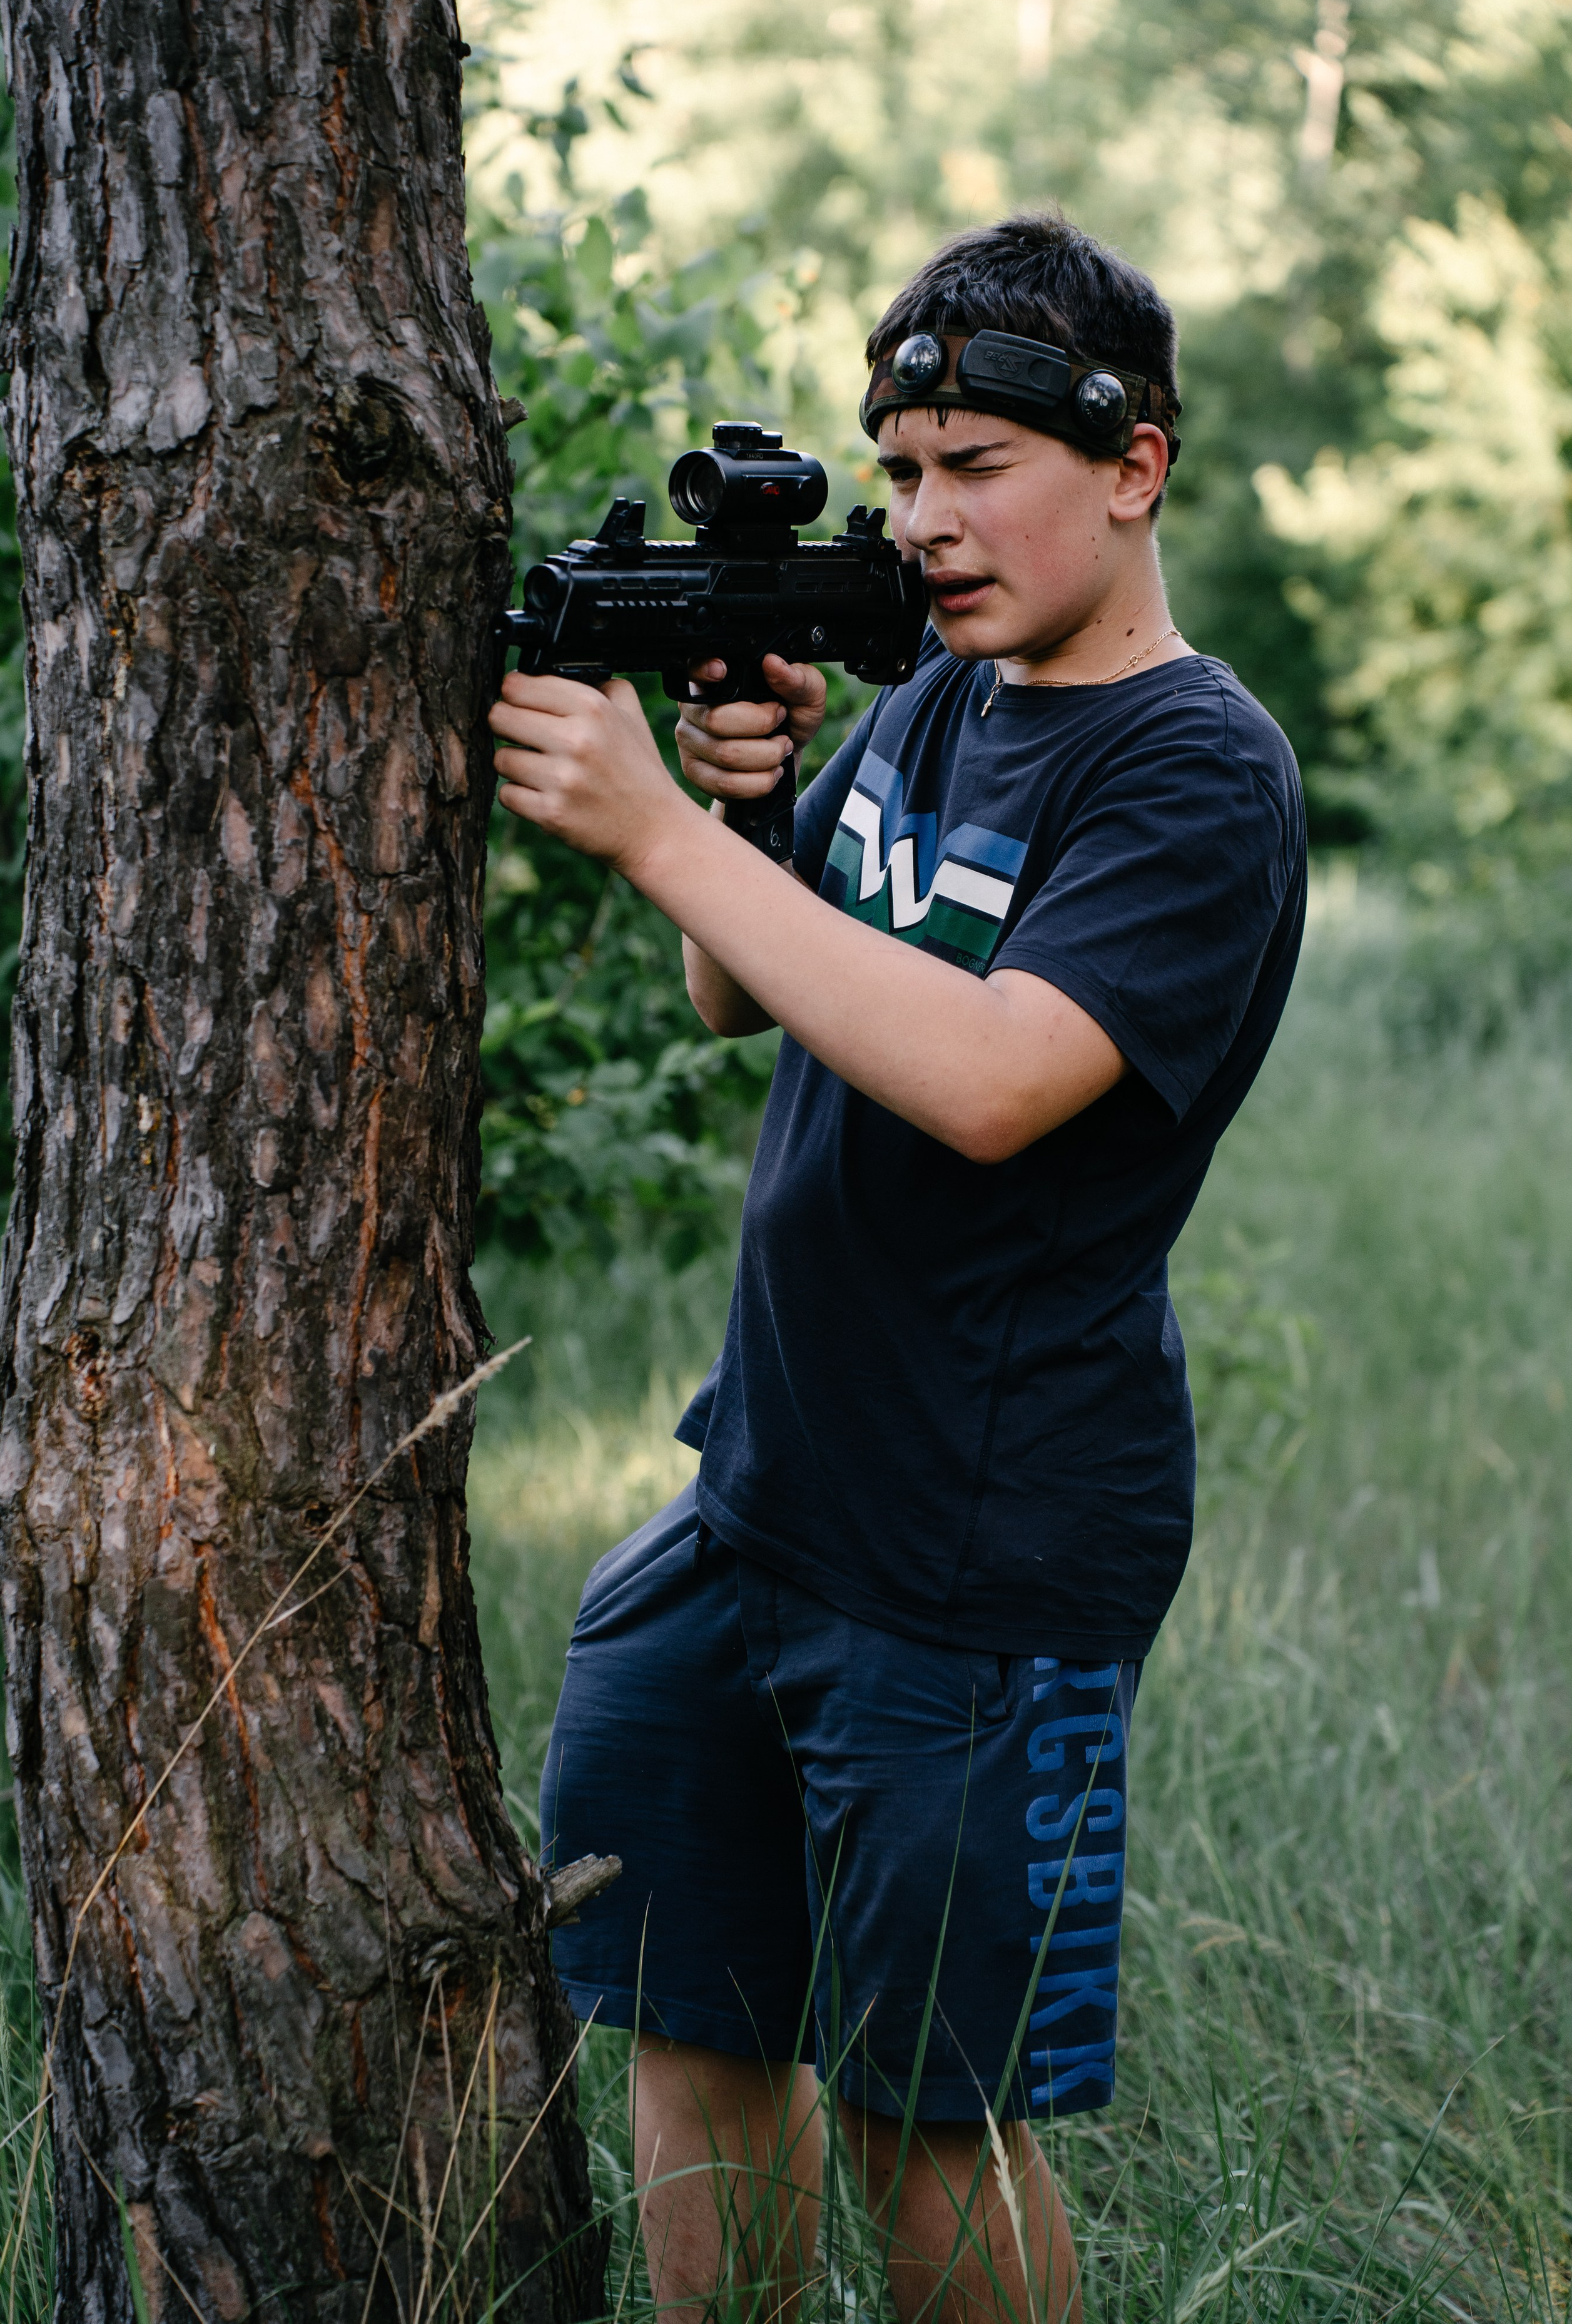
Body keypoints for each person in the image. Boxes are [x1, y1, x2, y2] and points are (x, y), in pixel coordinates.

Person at [490, 212, 1307, 2324]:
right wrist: (747, 808)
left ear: (1134, 469)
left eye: (980, 469)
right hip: (761, 1491)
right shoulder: (937, 697)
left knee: (922, 2112)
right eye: (905, 471)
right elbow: (733, 997)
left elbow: (992, 1079)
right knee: (693, 2020)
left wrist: (658, 829)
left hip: (981, 1544)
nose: (927, 520)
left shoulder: (1195, 769)